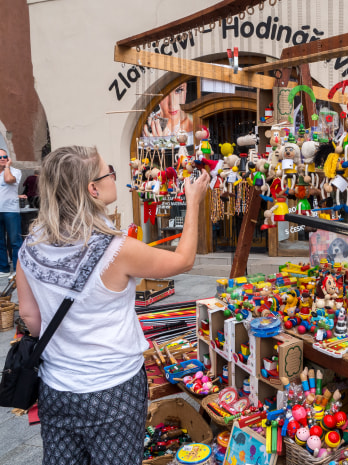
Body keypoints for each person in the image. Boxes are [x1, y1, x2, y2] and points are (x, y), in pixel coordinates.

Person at [16, 146, 209, 465]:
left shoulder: (31, 245)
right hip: (113, 388)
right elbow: (183, 260)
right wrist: (194, 202)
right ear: (92, 189)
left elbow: (29, 317)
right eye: (110, 173)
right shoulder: (117, 250)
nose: (114, 178)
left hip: (56, 386)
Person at [0, 148, 23, 277]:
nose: (3, 159)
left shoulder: (15, 171)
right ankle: (3, 269)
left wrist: (7, 167)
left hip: (11, 211)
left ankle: (17, 270)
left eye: (5, 157)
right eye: (0, 157)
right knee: (0, 242)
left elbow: (9, 180)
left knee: (15, 241)